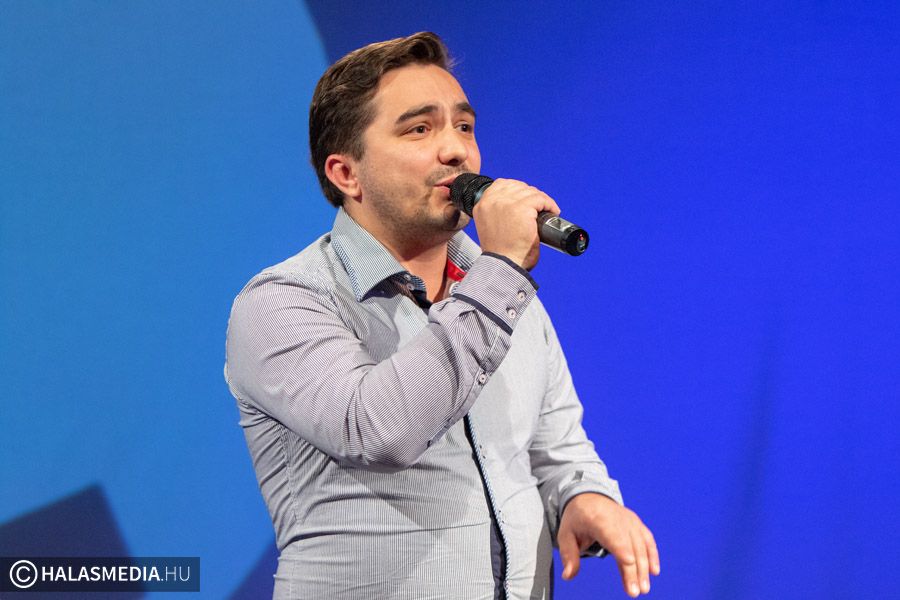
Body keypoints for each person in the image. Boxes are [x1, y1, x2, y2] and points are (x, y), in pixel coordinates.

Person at [225, 32, 659, 599]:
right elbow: (379, 432)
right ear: (346, 174)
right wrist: (501, 270)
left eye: (465, 126)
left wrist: (583, 497)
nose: (456, 151)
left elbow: (554, 447)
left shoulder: (503, 292)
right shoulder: (284, 302)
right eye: (419, 129)